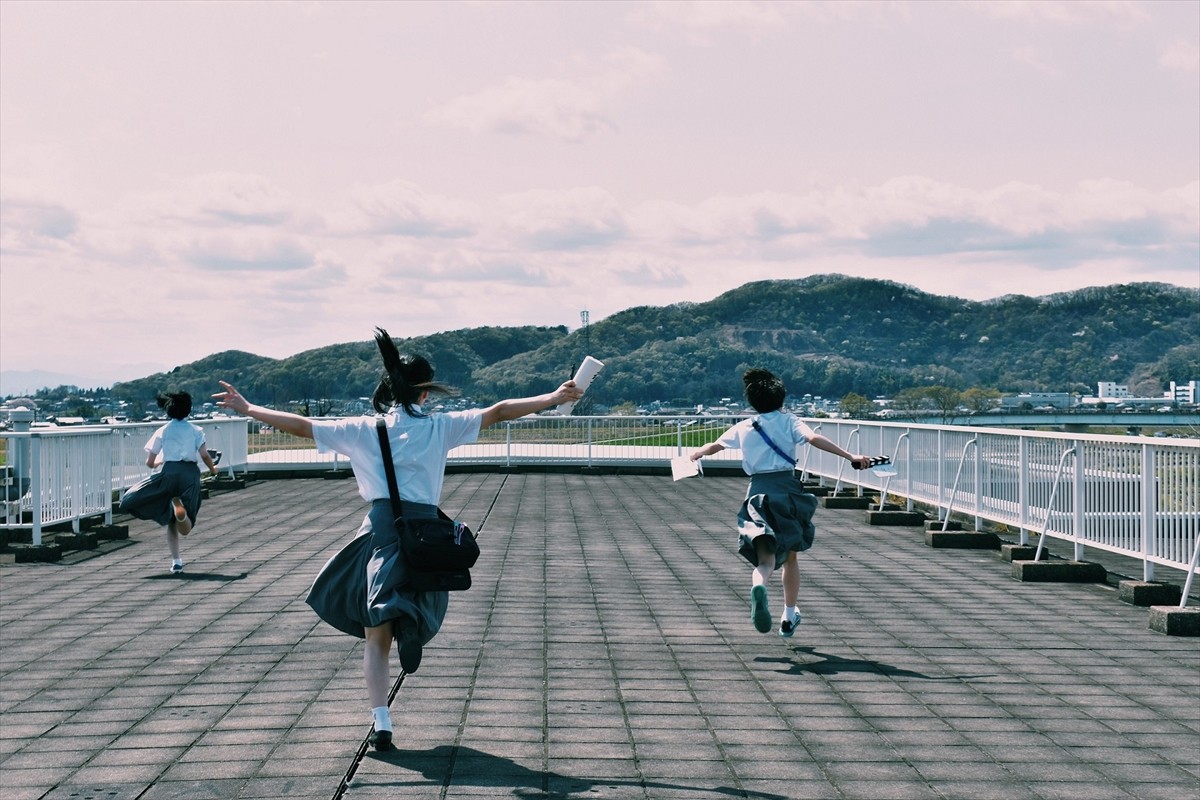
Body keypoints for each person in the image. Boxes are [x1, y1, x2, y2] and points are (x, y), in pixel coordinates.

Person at [212, 327, 583, 752]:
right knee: (419, 592)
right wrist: (554, 397)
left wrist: (249, 408)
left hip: (381, 531)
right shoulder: (440, 428)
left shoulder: (364, 430)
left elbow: (303, 426)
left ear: (389, 391)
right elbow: (499, 410)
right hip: (426, 532)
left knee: (374, 632)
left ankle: (382, 720)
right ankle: (408, 623)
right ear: (425, 394)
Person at [690, 369, 870, 638]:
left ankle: (758, 587)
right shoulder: (790, 421)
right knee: (791, 555)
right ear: (781, 398)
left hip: (757, 494)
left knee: (765, 560)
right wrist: (849, 455)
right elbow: (814, 439)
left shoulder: (744, 426)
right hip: (786, 491)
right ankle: (788, 615)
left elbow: (715, 446)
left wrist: (695, 454)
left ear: (752, 402)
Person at [118, 391, 220, 573]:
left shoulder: (163, 430)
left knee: (170, 522)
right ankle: (180, 512)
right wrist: (213, 469)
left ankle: (176, 562)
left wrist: (160, 462)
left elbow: (150, 462)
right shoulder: (196, 430)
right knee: (186, 526)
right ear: (188, 411)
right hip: (189, 474)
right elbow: (204, 455)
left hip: (169, 472)